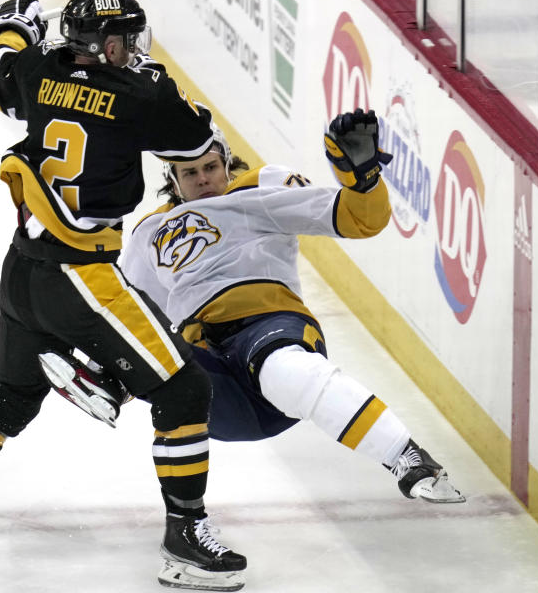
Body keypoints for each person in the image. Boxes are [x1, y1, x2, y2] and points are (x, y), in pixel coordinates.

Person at [0, 0, 247, 592]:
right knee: (185, 388)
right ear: (108, 45)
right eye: (128, 41)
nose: (136, 50)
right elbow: (195, 140)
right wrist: (151, 78)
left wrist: (14, 27)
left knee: (11, 391)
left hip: (22, 271)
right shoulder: (140, 94)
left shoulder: (35, 69)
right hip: (83, 278)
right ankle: (185, 539)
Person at [46, 107, 465, 505]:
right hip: (214, 375)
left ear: (227, 163)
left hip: (268, 324)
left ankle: (408, 459)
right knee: (158, 365)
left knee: (283, 368)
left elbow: (360, 219)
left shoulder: (262, 187)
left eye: (210, 167)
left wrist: (364, 180)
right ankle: (113, 392)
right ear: (173, 180)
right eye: (189, 173)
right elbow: (128, 311)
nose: (204, 179)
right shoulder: (149, 233)